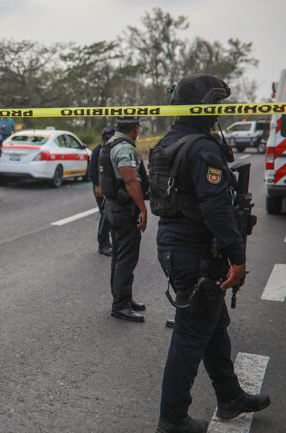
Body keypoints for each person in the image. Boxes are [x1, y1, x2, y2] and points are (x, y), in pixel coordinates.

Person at [154, 73, 270, 433]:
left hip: (175, 247)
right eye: (216, 105)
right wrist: (238, 257)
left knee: (213, 326)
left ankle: (230, 396)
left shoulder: (168, 142)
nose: (219, 111)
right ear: (204, 106)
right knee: (190, 337)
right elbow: (216, 209)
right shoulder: (202, 148)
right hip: (198, 254)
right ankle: (172, 420)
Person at [98, 116, 148, 322]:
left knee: (120, 256)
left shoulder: (111, 143)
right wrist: (143, 209)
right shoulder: (124, 148)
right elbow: (130, 180)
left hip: (113, 207)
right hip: (123, 209)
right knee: (126, 257)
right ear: (135, 129)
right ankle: (120, 305)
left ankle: (123, 297)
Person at [87, 125, 116, 256]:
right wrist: (97, 186)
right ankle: (103, 243)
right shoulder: (98, 151)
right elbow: (92, 172)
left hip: (113, 186)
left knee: (113, 215)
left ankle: (112, 242)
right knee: (105, 215)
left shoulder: (116, 149)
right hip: (101, 187)